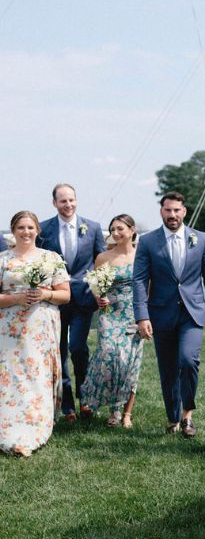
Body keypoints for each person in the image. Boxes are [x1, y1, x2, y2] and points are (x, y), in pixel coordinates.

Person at [133, 191, 205, 436]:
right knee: (168, 368)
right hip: (160, 312)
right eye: (167, 210)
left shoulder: (201, 239)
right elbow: (139, 280)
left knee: (187, 360)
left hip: (192, 313)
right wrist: (142, 315)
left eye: (176, 210)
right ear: (161, 211)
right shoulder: (148, 241)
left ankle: (188, 415)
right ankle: (173, 418)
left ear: (184, 212)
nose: (172, 215)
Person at [0, 211, 70, 457]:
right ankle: (8, 432)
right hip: (8, 331)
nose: (26, 232)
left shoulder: (50, 258)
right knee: (10, 377)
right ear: (13, 230)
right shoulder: (3, 259)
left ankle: (35, 430)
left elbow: (65, 294)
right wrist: (17, 298)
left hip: (41, 331)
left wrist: (45, 294)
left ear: (37, 230)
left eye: (30, 227)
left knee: (36, 375)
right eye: (21, 227)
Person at [38, 183, 105, 421]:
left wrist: (102, 289)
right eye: (63, 201)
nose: (68, 205)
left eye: (71, 200)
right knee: (59, 351)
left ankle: (85, 398)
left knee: (78, 348)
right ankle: (66, 405)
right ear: (54, 203)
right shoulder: (43, 229)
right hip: (54, 301)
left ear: (77, 201)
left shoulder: (94, 227)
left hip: (83, 299)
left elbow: (101, 261)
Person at [80, 214, 144, 429]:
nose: (116, 233)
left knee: (129, 362)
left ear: (132, 230)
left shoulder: (142, 256)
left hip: (134, 314)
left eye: (120, 229)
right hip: (109, 314)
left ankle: (125, 413)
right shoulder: (103, 257)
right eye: (112, 230)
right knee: (108, 356)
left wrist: (146, 316)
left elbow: (148, 287)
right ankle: (108, 405)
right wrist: (99, 297)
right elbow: (96, 286)